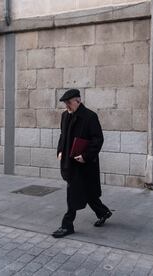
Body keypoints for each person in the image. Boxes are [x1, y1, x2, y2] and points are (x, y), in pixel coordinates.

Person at [52, 89, 112, 238]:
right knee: (86, 192)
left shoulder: (90, 116)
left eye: (69, 102)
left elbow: (98, 139)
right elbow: (62, 136)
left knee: (73, 193)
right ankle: (103, 212)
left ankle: (67, 225)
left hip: (84, 164)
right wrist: (60, 151)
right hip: (69, 162)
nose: (67, 106)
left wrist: (85, 156)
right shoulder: (65, 116)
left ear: (78, 100)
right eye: (65, 103)